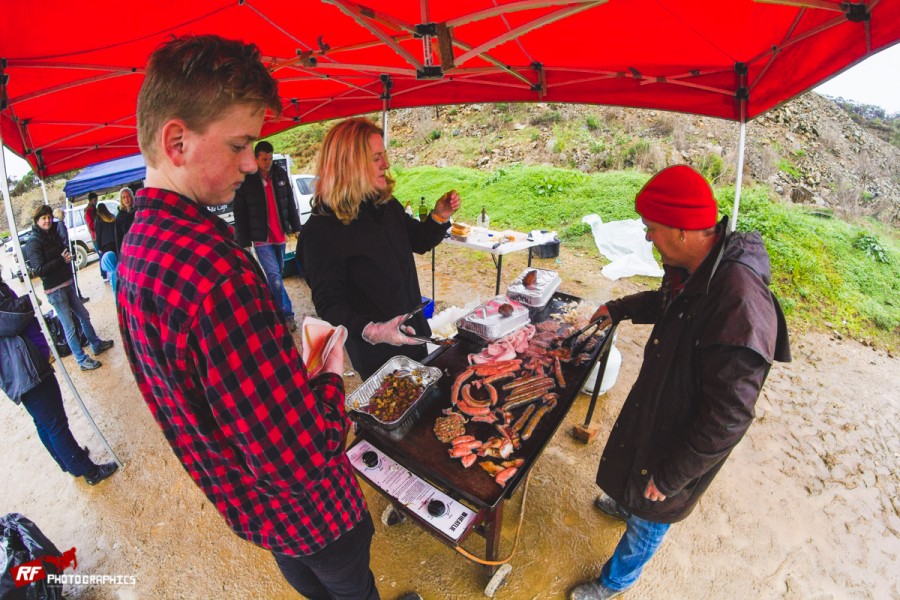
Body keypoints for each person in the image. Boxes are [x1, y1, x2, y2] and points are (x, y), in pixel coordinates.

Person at [119, 34, 388, 600]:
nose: (251, 164)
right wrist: (328, 374)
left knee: (310, 583)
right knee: (352, 587)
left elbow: (208, 398)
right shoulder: (213, 272)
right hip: (313, 513)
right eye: (240, 144)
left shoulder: (141, 245)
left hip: (253, 508)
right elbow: (299, 457)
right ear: (177, 141)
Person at [569, 165, 791, 600]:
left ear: (684, 230)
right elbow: (670, 302)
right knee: (641, 472)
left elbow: (728, 417)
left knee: (655, 509)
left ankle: (614, 582)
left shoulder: (738, 302)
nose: (648, 238)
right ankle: (632, 500)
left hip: (684, 436)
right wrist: (620, 307)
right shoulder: (694, 266)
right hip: (665, 402)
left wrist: (673, 476)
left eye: (652, 229)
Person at [298, 117, 461, 379]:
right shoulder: (321, 230)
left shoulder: (384, 204)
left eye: (383, 156)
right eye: (376, 158)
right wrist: (374, 330)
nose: (386, 164)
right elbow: (329, 303)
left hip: (414, 331)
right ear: (349, 165)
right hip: (379, 354)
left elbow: (418, 240)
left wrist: (438, 217)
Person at [0, 274, 117, 485]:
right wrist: (28, 300)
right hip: (26, 371)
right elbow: (11, 318)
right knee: (55, 424)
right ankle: (88, 471)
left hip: (24, 369)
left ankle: (68, 461)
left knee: (46, 423)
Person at [25, 205, 114, 371]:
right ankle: (81, 360)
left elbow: (61, 253)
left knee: (83, 315)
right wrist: (61, 260)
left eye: (49, 217)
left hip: (66, 283)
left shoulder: (51, 234)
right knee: (70, 327)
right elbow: (39, 269)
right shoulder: (33, 242)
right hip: (55, 290)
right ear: (37, 221)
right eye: (43, 218)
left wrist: (67, 257)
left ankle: (95, 344)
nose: (47, 221)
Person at [232, 140, 302, 331]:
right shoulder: (247, 180)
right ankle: (287, 315)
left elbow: (290, 202)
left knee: (275, 278)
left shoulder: (279, 174)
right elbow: (240, 213)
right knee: (274, 277)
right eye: (264, 159)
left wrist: (296, 228)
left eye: (270, 158)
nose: (268, 162)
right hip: (261, 238)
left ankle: (271, 310)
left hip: (280, 237)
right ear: (255, 158)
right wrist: (244, 242)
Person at [84, 192, 107, 282]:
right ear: (90, 200)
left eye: (96, 200)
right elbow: (91, 225)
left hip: (97, 235)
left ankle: (104, 274)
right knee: (101, 255)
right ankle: (104, 275)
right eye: (94, 200)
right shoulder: (89, 211)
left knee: (102, 255)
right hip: (96, 237)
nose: (96, 202)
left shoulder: (93, 209)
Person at [115, 187, 137, 255]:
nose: (126, 199)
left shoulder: (138, 210)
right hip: (129, 248)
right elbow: (118, 238)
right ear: (121, 200)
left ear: (131, 197)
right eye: (123, 197)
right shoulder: (119, 217)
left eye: (128, 196)